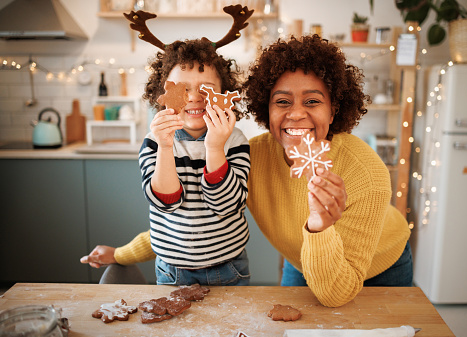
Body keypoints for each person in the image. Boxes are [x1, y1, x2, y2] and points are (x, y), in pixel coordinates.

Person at [82, 35, 412, 307]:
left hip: (379, 266)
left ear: (334, 108)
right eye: (282, 102)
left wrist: (320, 226)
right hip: (304, 259)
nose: (296, 115)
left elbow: (336, 293)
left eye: (312, 101)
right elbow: (187, 228)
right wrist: (122, 254)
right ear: (265, 110)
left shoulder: (365, 173)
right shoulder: (253, 158)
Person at [80, 38, 251, 287]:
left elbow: (226, 204)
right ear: (164, 95)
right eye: (182, 89)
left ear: (224, 95)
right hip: (172, 271)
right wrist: (166, 146)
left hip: (228, 267)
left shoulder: (234, 140)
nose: (194, 98)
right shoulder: (154, 143)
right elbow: (166, 202)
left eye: (206, 89)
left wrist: (214, 147)